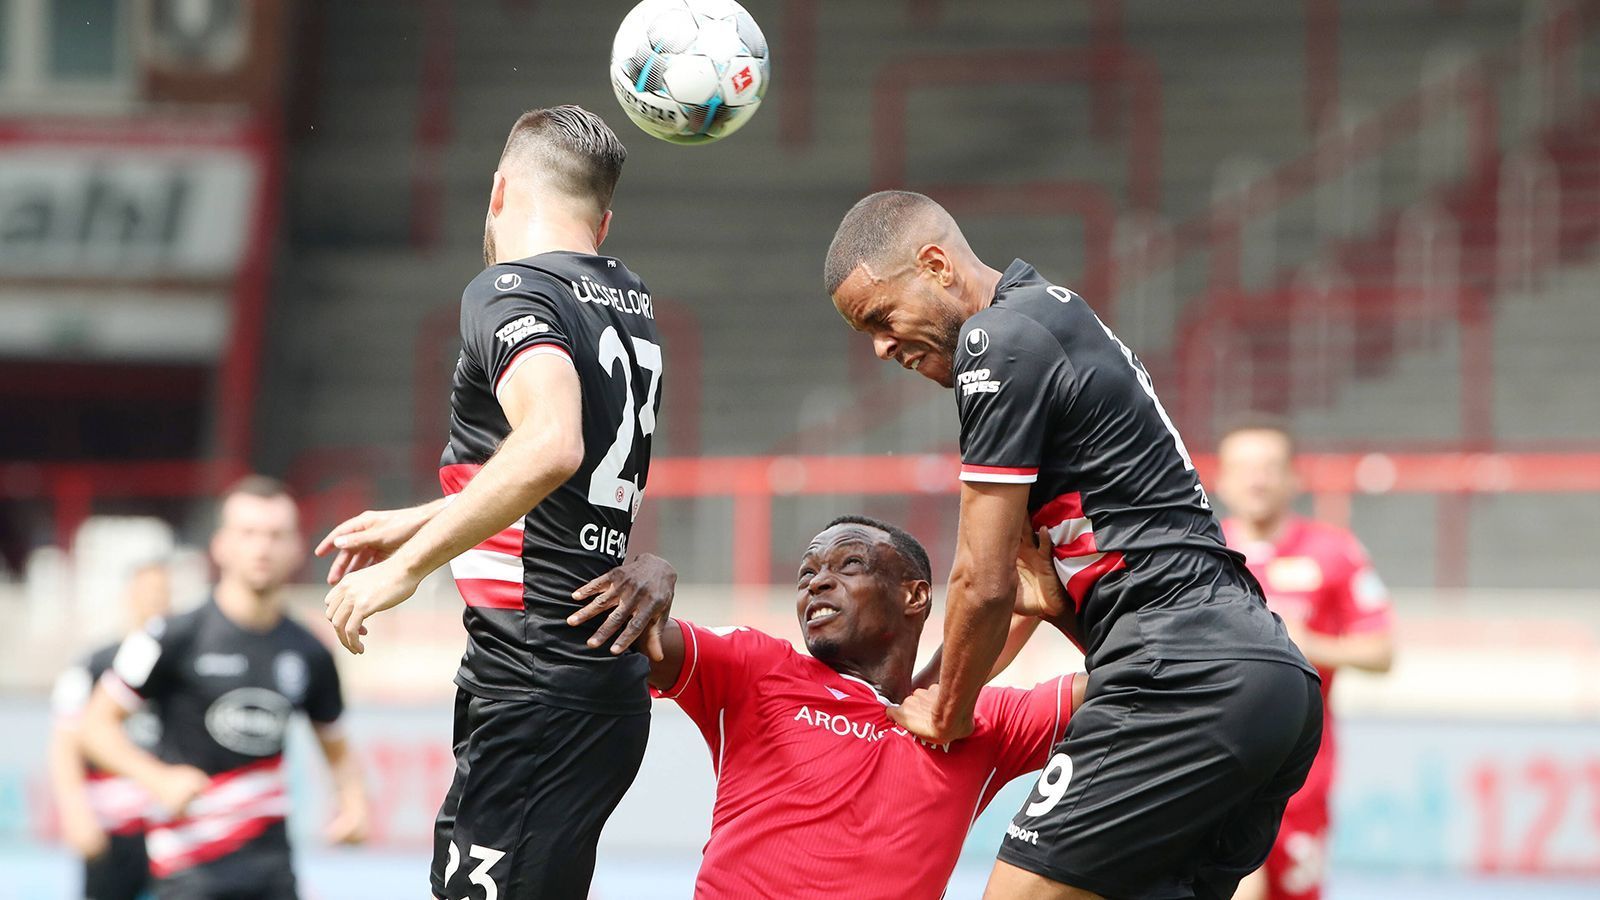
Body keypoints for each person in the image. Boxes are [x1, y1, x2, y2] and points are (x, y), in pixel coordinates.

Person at [823, 190, 1323, 900]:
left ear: (935, 265)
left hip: (1176, 676)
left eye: (881, 318)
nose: (880, 346)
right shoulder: (1051, 323)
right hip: (1269, 682)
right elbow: (1023, 596)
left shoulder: (996, 341)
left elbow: (982, 579)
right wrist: (915, 691)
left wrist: (947, 709)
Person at [316, 105, 670, 900]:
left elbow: (551, 447)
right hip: (576, 684)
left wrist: (406, 567)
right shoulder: (629, 297)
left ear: (499, 189)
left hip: (535, 675)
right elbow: (558, 480)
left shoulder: (506, 290)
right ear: (602, 223)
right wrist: (421, 517)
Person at [586, 515, 1084, 899]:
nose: (816, 583)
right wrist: (650, 573)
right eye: (807, 572)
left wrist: (1060, 614)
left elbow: (1145, 684)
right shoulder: (756, 669)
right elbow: (610, 629)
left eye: (850, 564)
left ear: (915, 596)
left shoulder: (985, 724)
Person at [78, 476, 367, 900]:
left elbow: (336, 745)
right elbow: (94, 726)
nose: (262, 547)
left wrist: (355, 803)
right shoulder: (169, 637)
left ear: (295, 547)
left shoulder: (310, 652)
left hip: (273, 871)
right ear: (220, 546)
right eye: (248, 534)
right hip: (188, 868)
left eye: (275, 535)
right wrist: (157, 778)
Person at [1216, 418, 1396, 900]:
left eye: (1270, 467)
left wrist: (1307, 645)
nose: (1257, 479)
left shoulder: (1335, 552)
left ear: (1295, 478)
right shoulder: (1200, 552)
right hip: (1215, 759)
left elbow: (1383, 652)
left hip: (1302, 771)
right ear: (1221, 480)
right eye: (1244, 468)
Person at [50, 560, 172, 900]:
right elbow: (66, 743)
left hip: (170, 824)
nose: (157, 602)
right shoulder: (92, 665)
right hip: (113, 827)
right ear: (130, 596)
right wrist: (75, 812)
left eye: (163, 594)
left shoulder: (181, 665)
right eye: (149, 593)